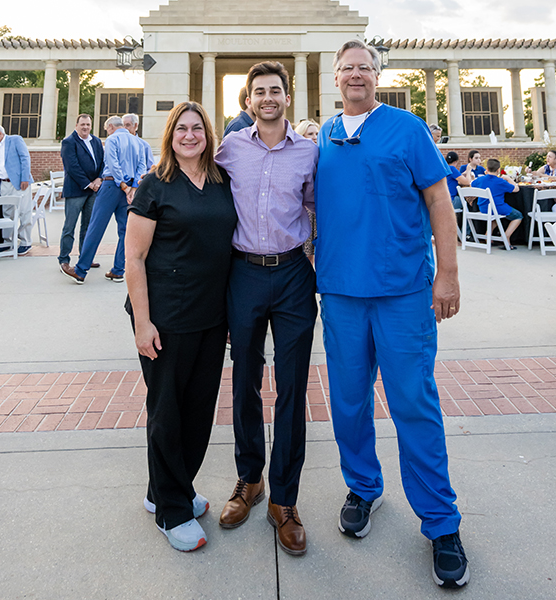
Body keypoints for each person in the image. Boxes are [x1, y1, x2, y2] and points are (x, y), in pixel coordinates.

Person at [316, 39, 468, 589]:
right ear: (334, 79)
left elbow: (438, 201)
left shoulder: (407, 128)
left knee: (413, 404)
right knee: (349, 403)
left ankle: (441, 524)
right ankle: (363, 487)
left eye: (365, 67)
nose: (356, 75)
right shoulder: (323, 139)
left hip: (403, 293)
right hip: (340, 294)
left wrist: (446, 275)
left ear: (377, 76)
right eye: (347, 68)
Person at [215, 61, 318, 557]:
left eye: (276, 90)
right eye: (259, 91)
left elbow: (321, 209)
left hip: (295, 273)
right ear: (248, 100)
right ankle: (249, 478)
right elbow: (191, 174)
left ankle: (286, 499)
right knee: (245, 380)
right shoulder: (231, 148)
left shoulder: (310, 152)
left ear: (287, 97)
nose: (268, 97)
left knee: (294, 386)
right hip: (244, 272)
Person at [126, 101, 237, 552]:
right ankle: (171, 510)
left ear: (208, 135)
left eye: (197, 128)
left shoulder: (220, 181)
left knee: (197, 412)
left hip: (211, 316)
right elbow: (133, 257)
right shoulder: (155, 185)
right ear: (170, 135)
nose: (190, 136)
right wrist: (142, 322)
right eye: (181, 129)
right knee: (167, 413)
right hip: (166, 317)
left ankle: (168, 490)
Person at [61, 116, 146, 284]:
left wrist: (122, 185)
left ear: (110, 127)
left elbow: (113, 164)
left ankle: (80, 270)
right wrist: (133, 188)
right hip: (129, 190)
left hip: (111, 186)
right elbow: (142, 166)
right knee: (124, 231)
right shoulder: (138, 142)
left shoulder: (112, 139)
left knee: (95, 227)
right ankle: (118, 270)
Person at [58, 114, 104, 269]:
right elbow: (72, 167)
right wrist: (88, 184)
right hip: (76, 190)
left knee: (88, 226)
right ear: (76, 125)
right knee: (69, 226)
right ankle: (64, 259)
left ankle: (85, 258)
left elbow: (103, 162)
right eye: (82, 124)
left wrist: (99, 179)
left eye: (88, 125)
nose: (85, 127)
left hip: (93, 191)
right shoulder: (69, 142)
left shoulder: (96, 141)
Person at [0, 125, 34, 256]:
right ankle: (7, 242)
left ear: (0, 134)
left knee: (24, 212)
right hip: (4, 184)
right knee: (7, 213)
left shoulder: (15, 140)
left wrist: (25, 178)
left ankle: (25, 242)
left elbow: (25, 158)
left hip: (20, 183)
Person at [472, 158, 523, 247]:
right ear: (498, 170)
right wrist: (508, 178)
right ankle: (506, 236)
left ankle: (488, 235)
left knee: (495, 216)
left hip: (483, 208)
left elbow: (471, 184)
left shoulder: (481, 179)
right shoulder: (500, 181)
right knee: (518, 215)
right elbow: (516, 189)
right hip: (497, 207)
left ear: (487, 169)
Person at [294, 119, 320, 257]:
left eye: (316, 133)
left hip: (319, 209)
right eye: (310, 133)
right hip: (306, 209)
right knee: (307, 251)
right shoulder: (298, 157)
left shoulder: (322, 153)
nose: (315, 137)